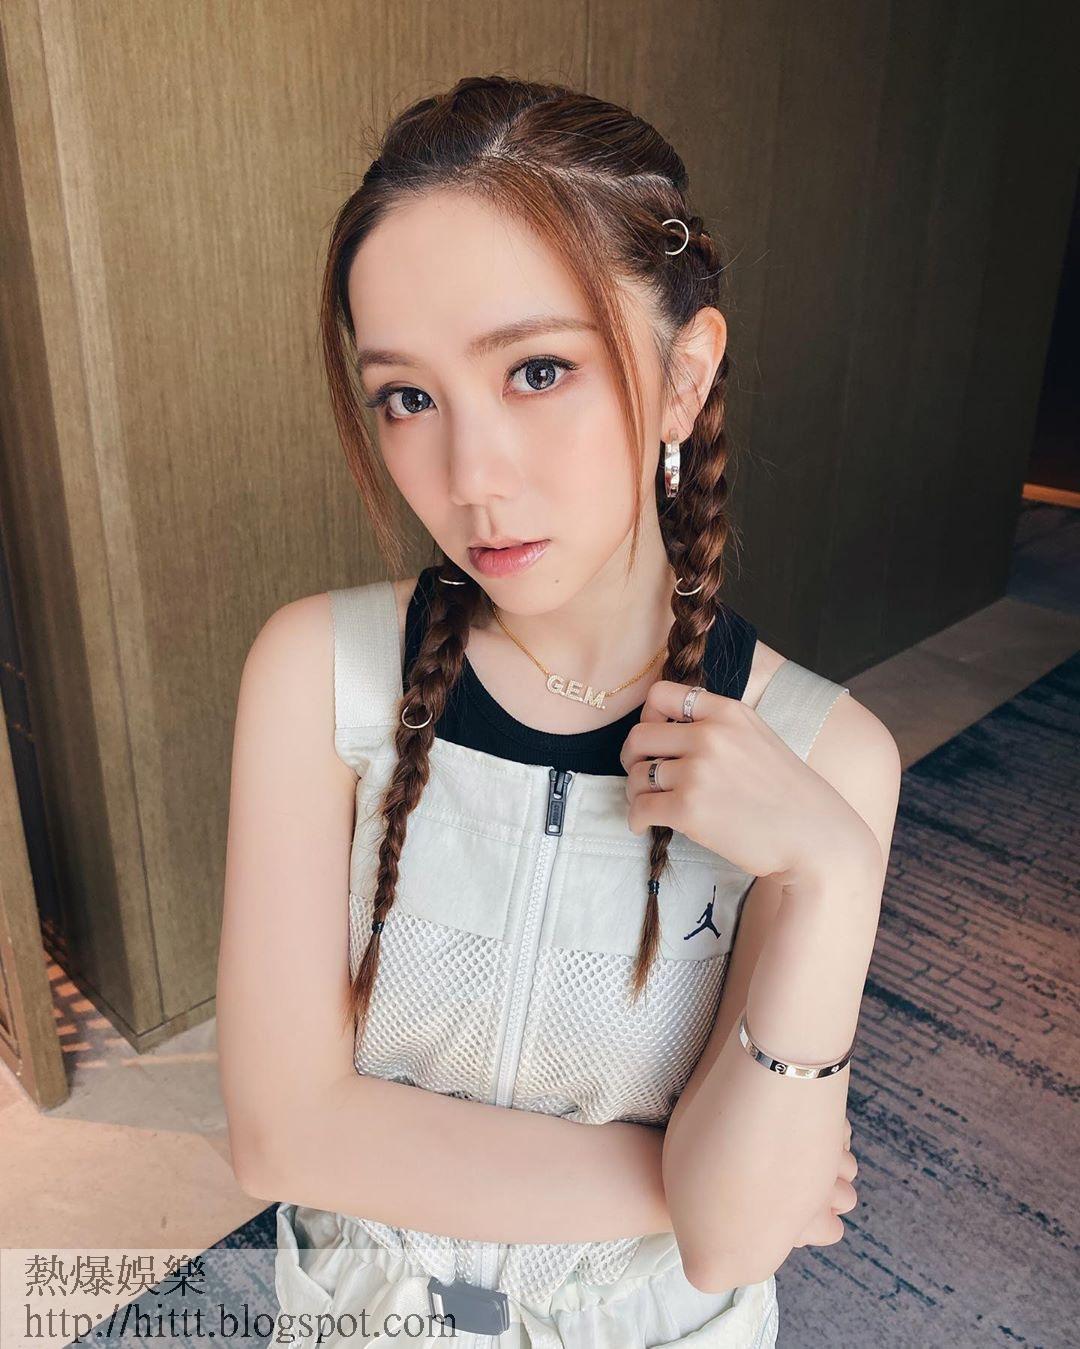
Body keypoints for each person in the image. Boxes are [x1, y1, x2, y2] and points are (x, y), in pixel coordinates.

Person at [216, 74, 901, 1347]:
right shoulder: (318, 674)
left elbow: (734, 1250)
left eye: (538, 370)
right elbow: (281, 1136)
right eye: (407, 396)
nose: (471, 476)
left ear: (685, 374)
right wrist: (697, 1177)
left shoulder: (826, 756)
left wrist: (834, 869)